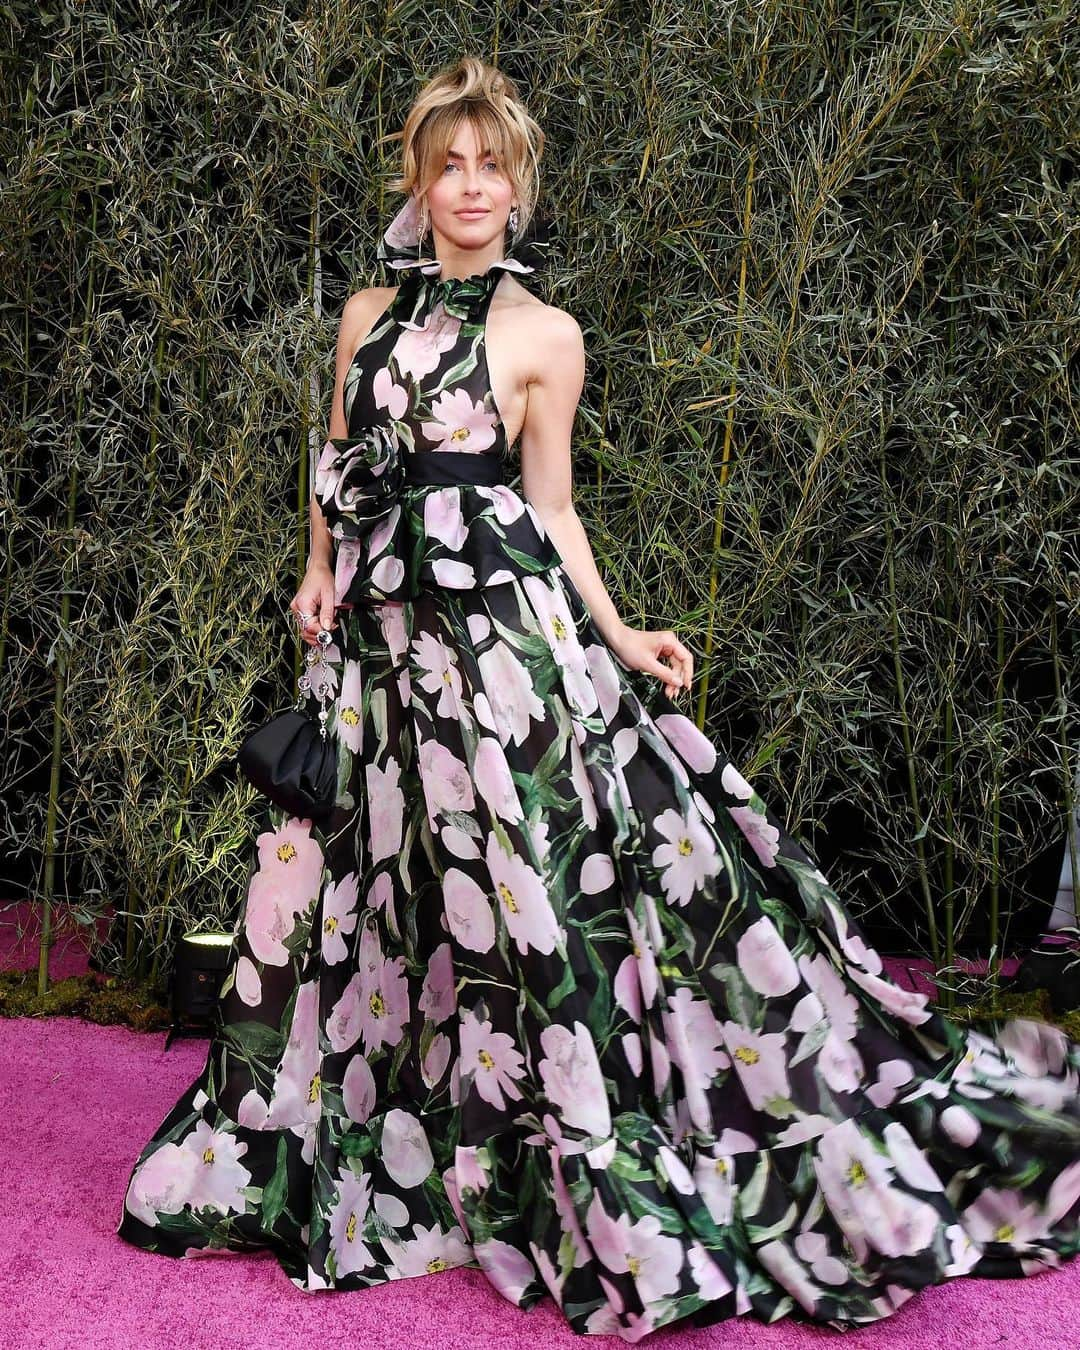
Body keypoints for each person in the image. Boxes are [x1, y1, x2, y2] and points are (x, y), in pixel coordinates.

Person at [116, 55, 1080, 1342]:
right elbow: (339, 460)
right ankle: (382, 1131)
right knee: (371, 890)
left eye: (491, 166)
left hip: (500, 648)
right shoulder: (362, 314)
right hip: (379, 653)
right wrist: (315, 575)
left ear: (518, 186)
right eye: (448, 164)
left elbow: (553, 508)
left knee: (523, 888)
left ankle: (562, 1138)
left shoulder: (544, 335)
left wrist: (621, 635)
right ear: (419, 178)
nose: (470, 186)